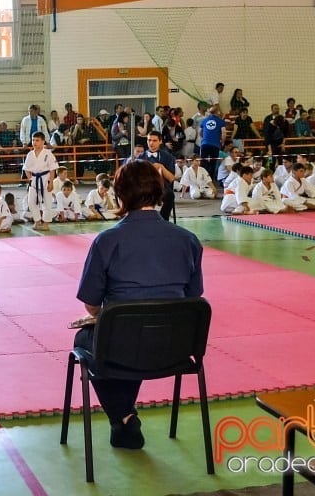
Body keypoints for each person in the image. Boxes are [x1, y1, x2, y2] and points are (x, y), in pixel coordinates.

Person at [73, 160, 204, 450]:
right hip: (176, 348)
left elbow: (92, 306)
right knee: (134, 329)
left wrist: (102, 315)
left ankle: (124, 416)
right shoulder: (188, 240)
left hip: (121, 348)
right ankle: (124, 418)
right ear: (159, 192)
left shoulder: (107, 241)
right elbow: (193, 299)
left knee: (87, 336)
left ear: (121, 194)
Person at [22, 131, 57, 230]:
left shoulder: (48, 154)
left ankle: (46, 223)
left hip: (45, 179)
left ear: (43, 142)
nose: (34, 142)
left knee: (47, 202)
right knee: (31, 201)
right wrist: (30, 180)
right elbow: (26, 169)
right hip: (34, 180)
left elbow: (52, 169)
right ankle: (37, 220)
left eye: (37, 140)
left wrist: (51, 183)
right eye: (33, 140)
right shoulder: (30, 154)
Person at [199, 105, 225, 181]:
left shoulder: (204, 120)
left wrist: (205, 138)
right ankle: (210, 180)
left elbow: (200, 132)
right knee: (213, 163)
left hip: (204, 144)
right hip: (215, 145)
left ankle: (202, 180)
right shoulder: (221, 121)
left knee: (203, 162)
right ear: (217, 112)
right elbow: (224, 133)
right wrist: (222, 142)